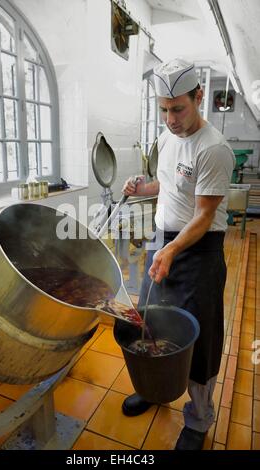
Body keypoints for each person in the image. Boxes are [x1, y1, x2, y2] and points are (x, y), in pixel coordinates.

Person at [121, 59, 235, 450]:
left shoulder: (214, 150)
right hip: (163, 242)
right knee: (147, 321)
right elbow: (166, 186)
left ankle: (200, 419)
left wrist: (170, 248)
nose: (170, 119)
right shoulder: (168, 138)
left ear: (199, 97)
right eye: (164, 109)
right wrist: (143, 187)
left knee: (198, 340)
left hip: (199, 253)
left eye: (178, 109)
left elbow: (204, 216)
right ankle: (154, 390)